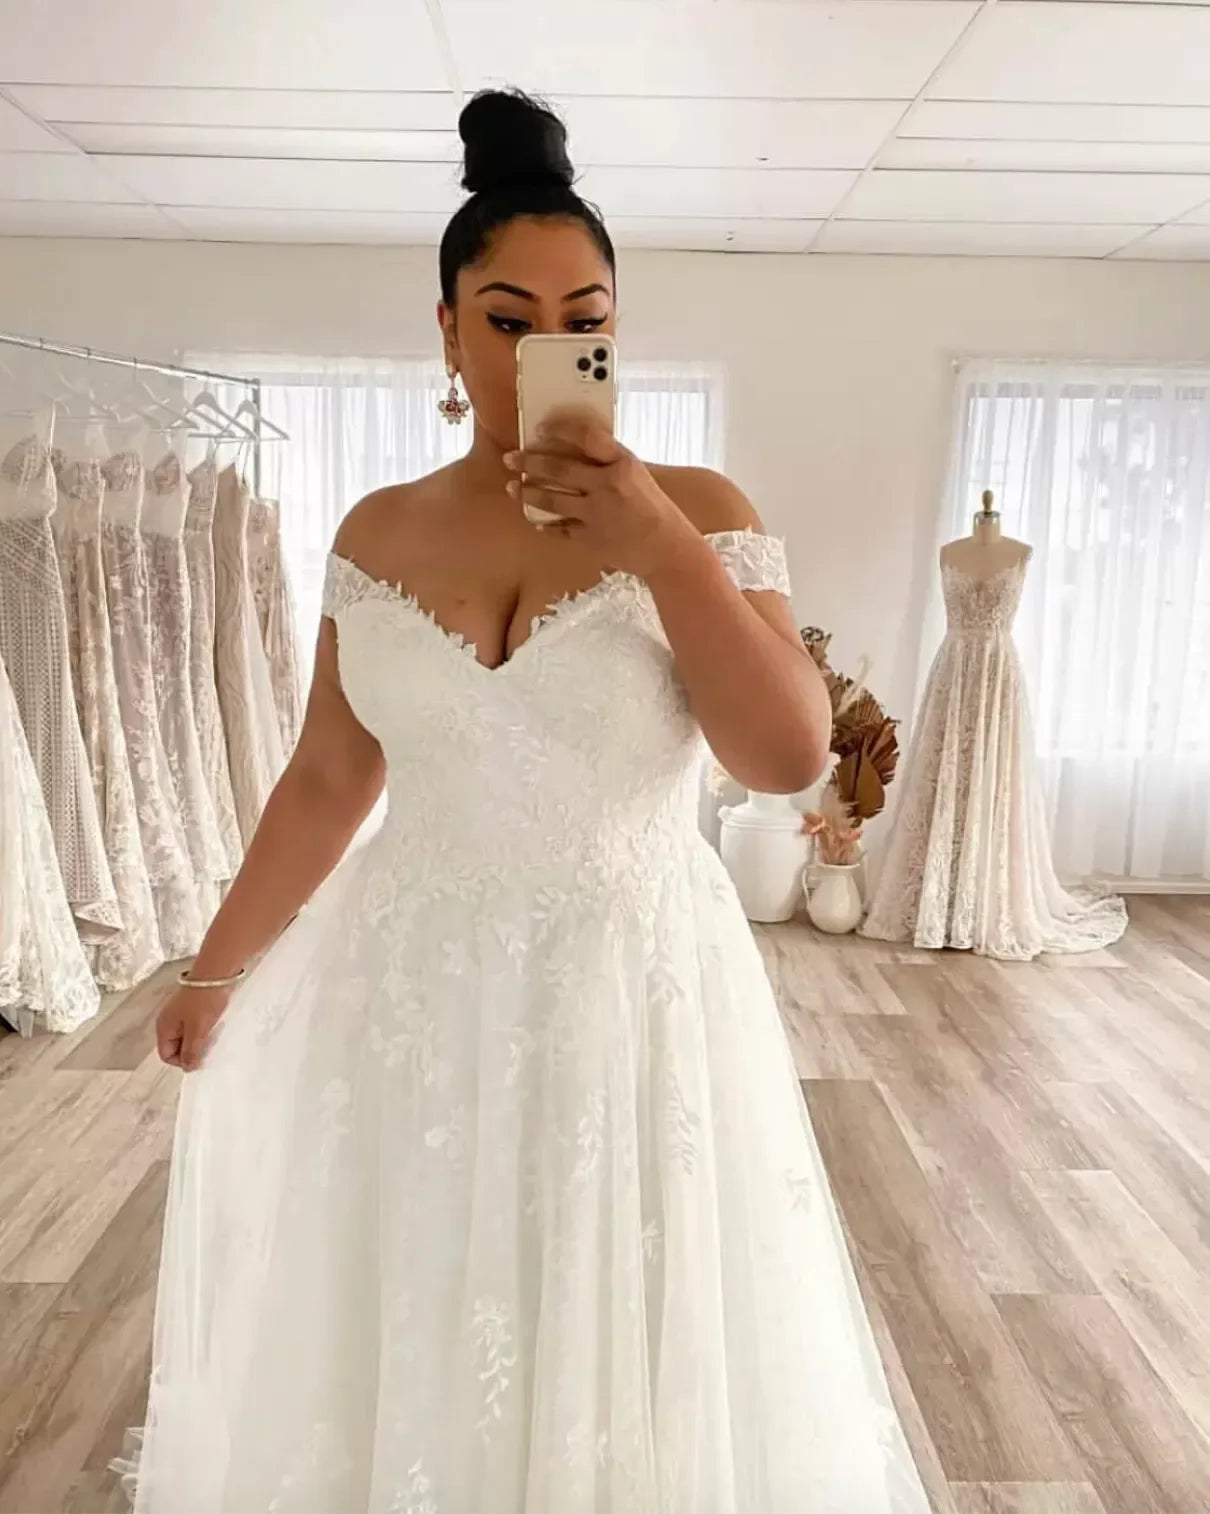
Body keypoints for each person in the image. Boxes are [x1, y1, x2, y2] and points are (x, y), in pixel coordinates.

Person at [116, 89, 932, 1514]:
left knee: (622, 1310)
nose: (544, 345)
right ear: (445, 332)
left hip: (631, 989)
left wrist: (660, 543)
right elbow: (330, 774)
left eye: (582, 317)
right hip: (412, 991)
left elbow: (785, 755)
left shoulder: (701, 508)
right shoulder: (377, 532)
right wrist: (216, 964)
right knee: (423, 1300)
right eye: (506, 318)